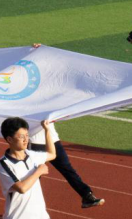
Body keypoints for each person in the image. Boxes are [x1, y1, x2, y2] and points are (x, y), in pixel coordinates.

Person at [27, 44, 103, 209]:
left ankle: (86, 196)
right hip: (36, 142)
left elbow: (51, 72)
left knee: (67, 170)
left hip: (52, 139)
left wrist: (40, 52)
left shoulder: (48, 92)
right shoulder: (23, 97)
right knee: (34, 176)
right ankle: (26, 206)